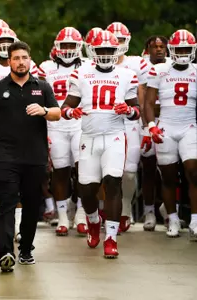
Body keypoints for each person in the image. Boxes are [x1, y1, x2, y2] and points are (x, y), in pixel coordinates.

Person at [0, 41, 61, 271]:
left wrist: (44, 111)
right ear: (9, 61)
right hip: (6, 156)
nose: (21, 62)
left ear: (30, 59)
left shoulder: (42, 87)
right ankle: (5, 253)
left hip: (35, 157)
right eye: (16, 58)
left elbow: (57, 113)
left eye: (24, 57)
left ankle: (26, 249)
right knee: (7, 202)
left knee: (32, 205)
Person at [61, 30, 140, 258]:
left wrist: (129, 110)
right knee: (87, 189)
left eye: (109, 50)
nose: (105, 54)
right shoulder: (81, 73)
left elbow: (135, 111)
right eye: (101, 50)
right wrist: (69, 112)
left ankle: (111, 238)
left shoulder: (127, 75)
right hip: (89, 137)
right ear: (92, 51)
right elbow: (67, 105)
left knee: (113, 183)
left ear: (117, 51)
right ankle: (94, 221)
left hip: (115, 136)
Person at [144, 29, 197, 239]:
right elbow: (148, 102)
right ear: (171, 50)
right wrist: (151, 126)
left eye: (187, 49)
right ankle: (173, 218)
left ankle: (195, 219)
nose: (183, 53)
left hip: (189, 126)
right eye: (180, 49)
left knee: (193, 172)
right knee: (167, 177)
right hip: (165, 126)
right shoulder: (160, 70)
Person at [38, 27, 87, 237]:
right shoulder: (46, 67)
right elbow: (37, 96)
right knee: (60, 171)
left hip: (80, 123)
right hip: (55, 123)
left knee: (84, 170)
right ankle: (63, 216)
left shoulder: (89, 66)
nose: (67, 49)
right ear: (56, 47)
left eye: (71, 45)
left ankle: (83, 213)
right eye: (64, 45)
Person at [107, 22, 148, 233]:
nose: (116, 43)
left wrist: (144, 124)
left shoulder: (136, 63)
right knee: (104, 171)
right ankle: (107, 211)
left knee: (129, 173)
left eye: (120, 39)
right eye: (113, 38)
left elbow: (141, 93)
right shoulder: (95, 62)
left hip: (130, 121)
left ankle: (124, 208)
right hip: (106, 121)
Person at [138, 36, 171, 231]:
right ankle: (149, 210)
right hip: (149, 121)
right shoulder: (143, 68)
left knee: (169, 170)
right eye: (154, 47)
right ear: (147, 49)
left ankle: (168, 210)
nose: (159, 50)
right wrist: (145, 125)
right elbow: (142, 100)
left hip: (170, 121)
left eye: (162, 47)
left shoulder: (174, 65)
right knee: (149, 169)